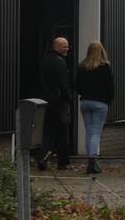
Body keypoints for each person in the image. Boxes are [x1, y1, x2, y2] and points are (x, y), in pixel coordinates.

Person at [76, 41, 114, 175]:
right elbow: (110, 87)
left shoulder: (82, 67)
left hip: (85, 102)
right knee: (96, 132)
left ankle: (90, 161)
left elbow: (76, 85)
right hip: (100, 103)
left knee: (89, 131)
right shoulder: (105, 67)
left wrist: (84, 93)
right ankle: (92, 160)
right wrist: (108, 100)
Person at [38, 37, 72, 171]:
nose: (67, 49)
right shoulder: (60, 62)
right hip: (58, 102)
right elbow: (63, 84)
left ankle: (43, 157)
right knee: (62, 132)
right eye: (64, 46)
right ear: (56, 47)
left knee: (47, 132)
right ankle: (63, 162)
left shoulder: (44, 61)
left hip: (46, 101)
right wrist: (68, 98)